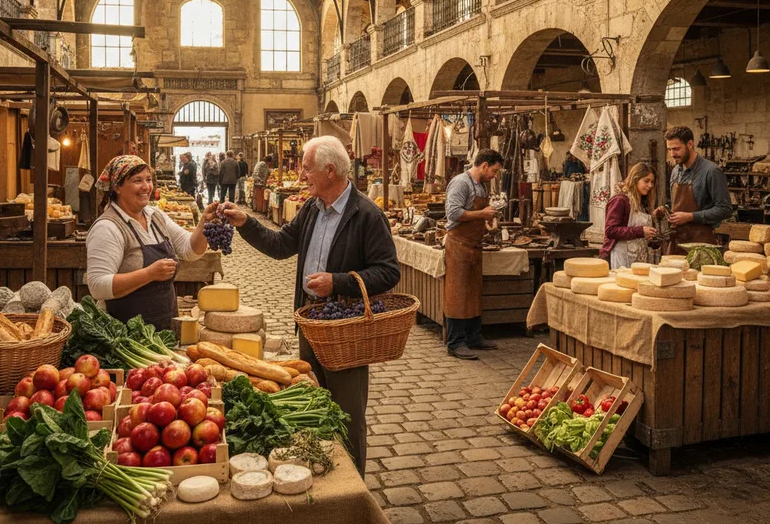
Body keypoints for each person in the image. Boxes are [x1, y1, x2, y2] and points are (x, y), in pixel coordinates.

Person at [220, 136, 399, 476]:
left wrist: (338, 281)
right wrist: (246, 222)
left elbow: (388, 272)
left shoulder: (367, 214)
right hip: (310, 321)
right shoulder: (312, 208)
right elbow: (280, 245)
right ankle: (325, 478)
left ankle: (352, 487)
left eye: (307, 168)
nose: (302, 175)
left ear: (330, 171)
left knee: (346, 413)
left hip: (344, 330)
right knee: (314, 404)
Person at [86, 155, 214, 329]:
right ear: (117, 187)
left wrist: (205, 223)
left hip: (164, 329)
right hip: (125, 335)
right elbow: (97, 286)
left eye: (148, 179)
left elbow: (190, 250)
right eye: (137, 180)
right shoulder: (107, 227)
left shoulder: (155, 216)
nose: (146, 186)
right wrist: (149, 274)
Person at [443, 148, 504, 360]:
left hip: (474, 246)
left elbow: (478, 215)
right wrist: (482, 213)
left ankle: (473, 337)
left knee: (473, 294)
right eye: (494, 171)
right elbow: (453, 213)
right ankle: (455, 343)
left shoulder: (482, 186)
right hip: (459, 245)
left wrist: (489, 222)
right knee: (458, 295)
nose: (494, 175)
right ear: (484, 165)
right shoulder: (461, 183)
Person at [660, 126, 732, 253]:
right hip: (677, 242)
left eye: (676, 149)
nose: (672, 154)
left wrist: (690, 217)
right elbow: (675, 205)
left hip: (701, 245)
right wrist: (665, 211)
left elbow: (725, 209)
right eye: (669, 149)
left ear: (690, 144)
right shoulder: (676, 171)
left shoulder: (711, 171)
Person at [600, 162, 658, 269]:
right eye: (646, 181)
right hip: (621, 257)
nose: (650, 185)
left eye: (652, 182)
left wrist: (653, 236)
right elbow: (610, 231)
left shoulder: (643, 203)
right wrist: (641, 231)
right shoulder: (620, 200)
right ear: (635, 179)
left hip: (639, 258)